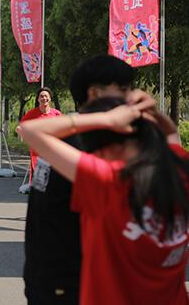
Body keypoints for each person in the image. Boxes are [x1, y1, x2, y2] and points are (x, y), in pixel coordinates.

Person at [19, 96, 188, 305]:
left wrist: (106, 119)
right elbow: (172, 136)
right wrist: (153, 117)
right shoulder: (180, 172)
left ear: (111, 148)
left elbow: (31, 131)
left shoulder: (110, 182)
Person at [17, 55, 152, 305]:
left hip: (47, 278)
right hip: (70, 283)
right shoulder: (87, 145)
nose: (129, 98)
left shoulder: (65, 139)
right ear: (95, 93)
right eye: (123, 89)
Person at [20, 87, 62, 184]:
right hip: (37, 153)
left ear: (50, 98)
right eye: (41, 96)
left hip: (53, 152)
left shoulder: (56, 114)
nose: (44, 98)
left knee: (53, 182)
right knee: (39, 184)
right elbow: (20, 128)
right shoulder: (32, 114)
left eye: (46, 96)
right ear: (38, 99)